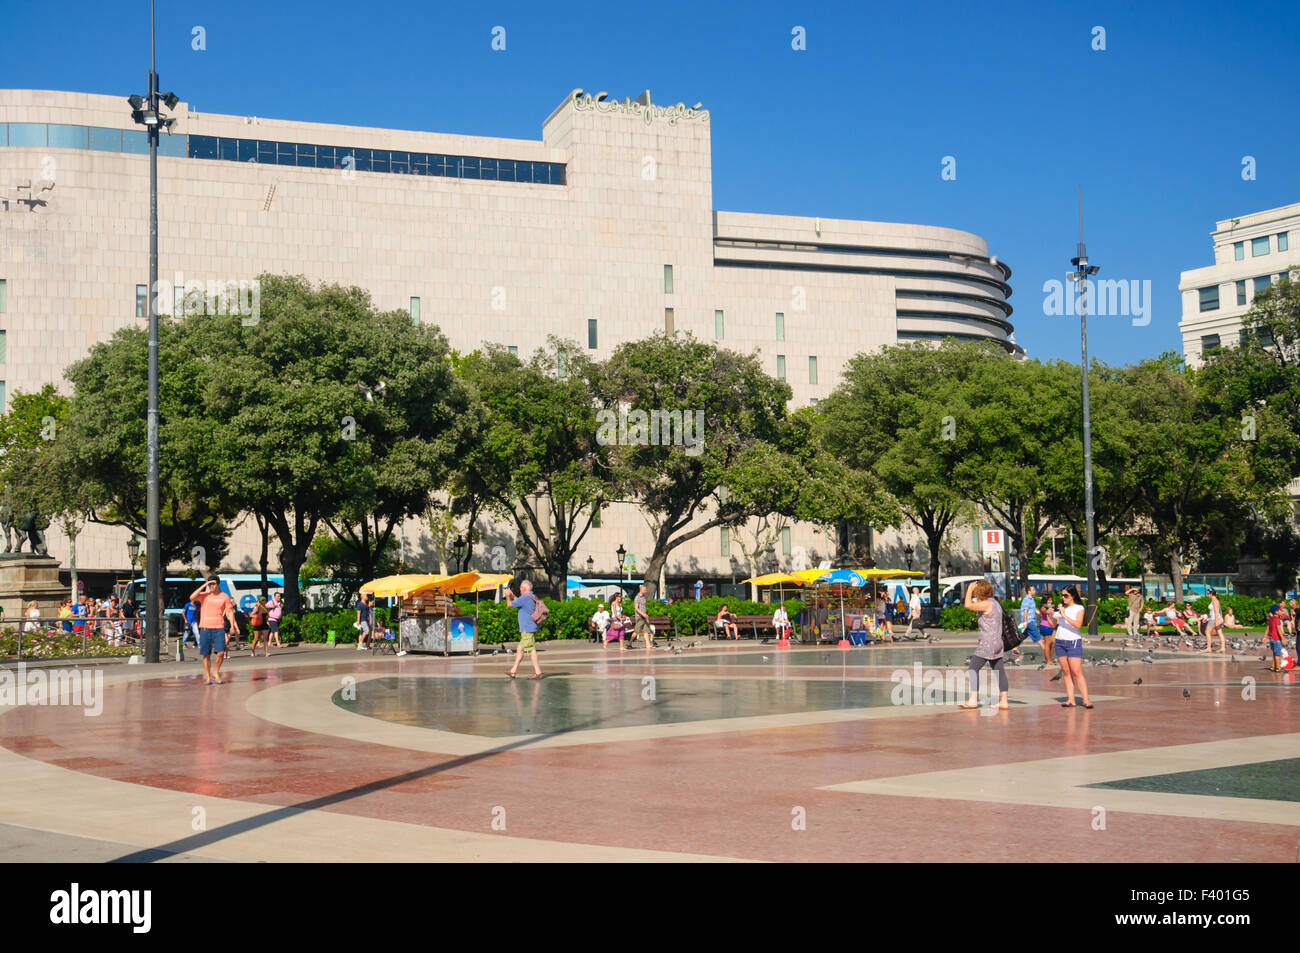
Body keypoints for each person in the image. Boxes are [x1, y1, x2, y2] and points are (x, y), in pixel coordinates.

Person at [959, 579, 1009, 711]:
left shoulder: (986, 604)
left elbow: (968, 605)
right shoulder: (995, 603)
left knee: (972, 668)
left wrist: (969, 589)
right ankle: (1004, 701)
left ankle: (973, 700)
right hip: (998, 642)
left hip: (988, 643)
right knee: (999, 671)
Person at [190, 575, 239, 685]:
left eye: (213, 584)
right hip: (205, 628)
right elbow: (192, 597)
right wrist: (205, 585)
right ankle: (208, 677)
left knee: (221, 652)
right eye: (210, 584)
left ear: (218, 584)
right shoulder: (204, 595)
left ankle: (216, 672)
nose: (211, 586)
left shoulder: (224, 596)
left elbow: (230, 612)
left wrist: (232, 626)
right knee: (206, 654)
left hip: (219, 628)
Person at [1054, 584, 1093, 708]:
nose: (1063, 598)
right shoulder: (1061, 608)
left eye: (1066, 595)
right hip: (1060, 640)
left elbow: (1078, 625)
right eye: (1062, 595)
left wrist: (1064, 614)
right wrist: (1048, 615)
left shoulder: (1079, 608)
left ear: (1073, 596)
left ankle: (1086, 699)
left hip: (1073, 641)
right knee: (1066, 671)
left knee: (1076, 671)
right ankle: (1071, 699)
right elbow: (1053, 624)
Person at [504, 580, 543, 679]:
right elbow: (520, 603)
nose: (519, 589)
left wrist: (508, 596)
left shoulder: (525, 597)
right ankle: (513, 671)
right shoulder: (530, 596)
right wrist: (513, 596)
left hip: (527, 628)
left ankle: (537, 672)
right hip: (530, 627)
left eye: (521, 587)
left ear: (524, 588)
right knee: (522, 649)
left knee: (530, 650)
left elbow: (509, 605)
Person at [1204, 589, 1225, 654]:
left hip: (1214, 619)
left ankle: (1209, 648)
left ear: (1211, 594)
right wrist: (1207, 617)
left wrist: (1216, 620)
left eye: (1208, 594)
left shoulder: (1214, 600)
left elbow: (1216, 611)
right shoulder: (1216, 600)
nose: (1207, 595)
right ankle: (1223, 648)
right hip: (1215, 618)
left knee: (1207, 632)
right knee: (1219, 632)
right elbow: (1214, 611)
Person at [1265, 604, 1285, 673]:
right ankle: (1278, 668)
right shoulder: (1277, 620)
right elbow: (1279, 630)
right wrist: (1283, 639)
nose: (1281, 611)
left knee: (1274, 653)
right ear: (1276, 612)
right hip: (1277, 639)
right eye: (1280, 610)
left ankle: (1273, 666)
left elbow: (1268, 628)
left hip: (1271, 639)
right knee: (1278, 654)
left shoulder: (1271, 619)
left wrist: (1265, 637)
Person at [1038, 597, 1058, 663]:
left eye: (1051, 599)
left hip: (1052, 627)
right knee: (1047, 644)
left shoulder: (1051, 606)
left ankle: (1048, 659)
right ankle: (1048, 661)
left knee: (1052, 645)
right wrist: (1047, 611)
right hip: (1046, 626)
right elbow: (1044, 611)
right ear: (1045, 600)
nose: (1050, 601)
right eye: (1049, 600)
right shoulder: (1043, 607)